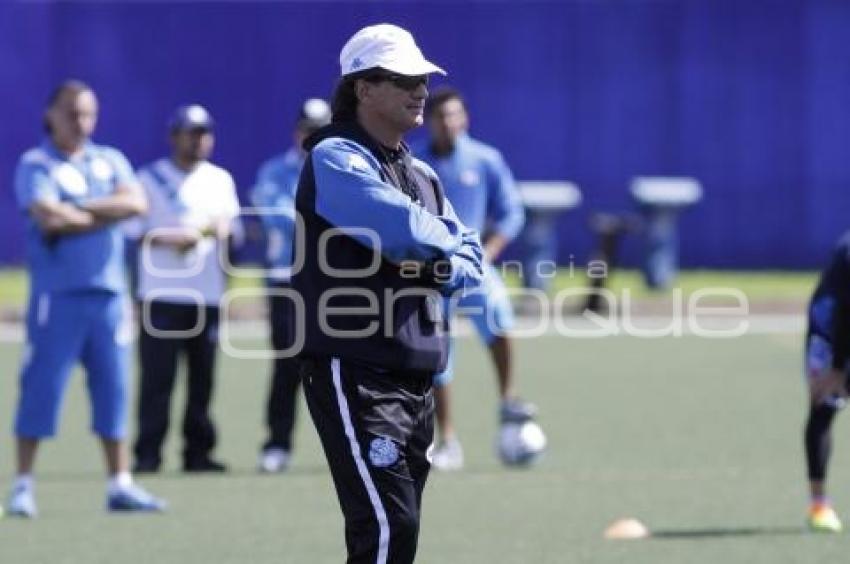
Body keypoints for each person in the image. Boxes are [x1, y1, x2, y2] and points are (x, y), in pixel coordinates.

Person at [292, 23, 483, 563]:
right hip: (357, 368)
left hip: (414, 370)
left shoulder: (421, 172)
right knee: (386, 525)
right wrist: (439, 248)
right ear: (363, 88)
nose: (419, 89)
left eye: (421, 78)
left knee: (398, 527)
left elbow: (470, 262)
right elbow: (402, 229)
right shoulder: (335, 157)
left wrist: (437, 261)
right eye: (402, 79)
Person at [5, 80, 165, 517]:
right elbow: (48, 214)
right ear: (50, 114)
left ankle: (120, 483)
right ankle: (23, 485)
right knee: (41, 387)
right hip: (57, 298)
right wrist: (102, 210)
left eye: (88, 113)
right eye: (72, 113)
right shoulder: (35, 163)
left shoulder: (110, 159)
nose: (81, 122)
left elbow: (135, 203)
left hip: (109, 295)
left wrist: (80, 210)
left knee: (114, 389)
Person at [413, 87, 537, 470]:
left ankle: (508, 401)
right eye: (440, 117)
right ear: (429, 121)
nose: (448, 123)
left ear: (464, 119)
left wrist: (490, 249)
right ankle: (447, 439)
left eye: (454, 116)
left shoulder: (485, 159)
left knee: (498, 312)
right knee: (437, 356)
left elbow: (511, 212)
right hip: (430, 272)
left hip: (474, 267)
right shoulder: (413, 162)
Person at [130, 104, 240, 473]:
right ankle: (148, 454)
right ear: (174, 136)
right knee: (157, 380)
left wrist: (223, 232)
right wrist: (172, 237)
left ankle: (198, 453)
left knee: (202, 380)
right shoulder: (149, 179)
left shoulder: (220, 180)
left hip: (206, 294)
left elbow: (232, 229)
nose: (198, 140)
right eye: (190, 133)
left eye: (204, 133)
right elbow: (134, 232)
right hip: (162, 295)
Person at [251, 97, 332, 473]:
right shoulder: (275, 171)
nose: (311, 137)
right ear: (296, 131)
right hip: (288, 281)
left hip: (335, 282)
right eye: (307, 129)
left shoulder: (342, 167)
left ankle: (343, 446)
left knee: (338, 366)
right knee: (288, 365)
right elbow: (280, 218)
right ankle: (277, 443)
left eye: (319, 130)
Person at [803, 232, 850, 532]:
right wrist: (836, 368)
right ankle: (818, 504)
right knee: (824, 406)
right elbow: (845, 313)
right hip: (830, 330)